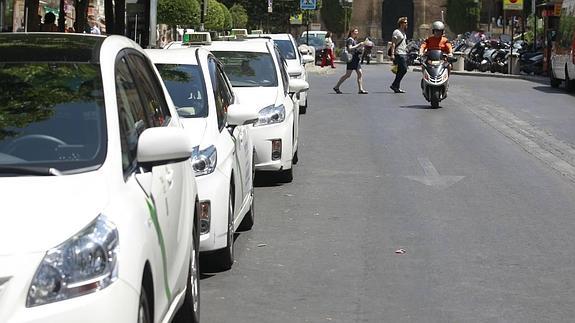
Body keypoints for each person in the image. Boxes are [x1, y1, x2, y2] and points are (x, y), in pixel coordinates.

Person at [333, 27, 368, 94]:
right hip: (352, 59)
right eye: (355, 31)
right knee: (347, 75)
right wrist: (359, 45)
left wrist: (361, 48)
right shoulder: (350, 40)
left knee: (360, 73)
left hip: (356, 59)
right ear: (352, 32)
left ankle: (360, 89)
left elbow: (355, 49)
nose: (357, 33)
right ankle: (336, 86)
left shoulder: (354, 40)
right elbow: (350, 48)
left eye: (357, 31)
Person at [389, 17, 409, 93]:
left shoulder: (403, 32)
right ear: (401, 23)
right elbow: (393, 43)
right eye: (405, 22)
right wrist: (392, 54)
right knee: (404, 69)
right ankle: (394, 84)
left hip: (404, 52)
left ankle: (396, 87)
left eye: (407, 22)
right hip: (399, 53)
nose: (407, 24)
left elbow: (404, 43)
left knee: (400, 70)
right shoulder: (396, 32)